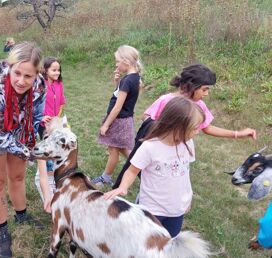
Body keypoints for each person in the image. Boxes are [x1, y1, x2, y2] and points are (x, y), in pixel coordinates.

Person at [112, 64, 257, 189]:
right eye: (205, 89)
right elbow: (147, 117)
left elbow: (207, 127)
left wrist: (238, 133)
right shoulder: (166, 100)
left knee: (170, 178)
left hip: (179, 152)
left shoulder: (199, 105)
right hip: (158, 150)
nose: (206, 94)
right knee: (147, 173)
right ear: (192, 86)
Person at [0, 42, 46, 258]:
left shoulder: (41, 85)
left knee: (17, 176)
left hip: (19, 130)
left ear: (37, 75)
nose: (21, 81)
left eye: (28, 76)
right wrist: (28, 153)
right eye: (17, 73)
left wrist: (41, 134)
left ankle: (21, 214)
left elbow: (36, 117)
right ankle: (1, 228)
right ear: (9, 66)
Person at [105, 96, 205, 237]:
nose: (198, 131)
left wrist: (186, 197)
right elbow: (132, 171)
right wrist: (123, 187)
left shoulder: (188, 143)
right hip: (152, 210)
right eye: (195, 128)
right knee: (145, 242)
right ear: (177, 126)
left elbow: (184, 174)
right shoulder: (150, 147)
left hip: (176, 210)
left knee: (169, 242)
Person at [92, 45, 143, 187]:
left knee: (114, 149)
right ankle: (144, 173)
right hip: (126, 120)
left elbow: (117, 107)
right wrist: (117, 81)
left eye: (117, 61)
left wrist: (106, 124)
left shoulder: (127, 81)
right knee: (124, 150)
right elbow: (120, 95)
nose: (116, 64)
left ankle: (106, 177)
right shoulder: (133, 78)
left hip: (119, 121)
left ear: (126, 62)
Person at [34, 57, 66, 213]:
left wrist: (57, 119)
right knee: (44, 150)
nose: (57, 72)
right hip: (41, 125)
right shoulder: (40, 85)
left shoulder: (59, 84)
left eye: (58, 69)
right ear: (45, 70)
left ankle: (52, 174)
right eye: (54, 69)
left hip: (54, 125)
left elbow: (61, 103)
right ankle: (43, 176)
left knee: (55, 150)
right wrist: (41, 118)